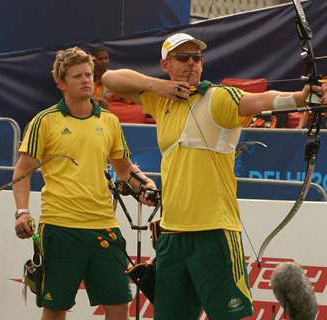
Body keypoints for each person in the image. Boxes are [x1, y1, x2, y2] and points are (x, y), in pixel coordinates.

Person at [102, 33, 327, 320]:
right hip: (171, 236)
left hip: (214, 233)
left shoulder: (218, 97)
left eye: (197, 58)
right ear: (166, 64)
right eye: (183, 58)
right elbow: (110, 79)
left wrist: (299, 97)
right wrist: (160, 86)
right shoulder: (161, 101)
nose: (192, 64)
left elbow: (259, 100)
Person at [13, 46, 156, 320]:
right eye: (77, 76)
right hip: (60, 227)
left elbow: (125, 171)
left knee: (118, 307)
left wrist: (145, 187)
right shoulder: (44, 121)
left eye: (89, 74)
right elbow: (22, 171)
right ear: (61, 83)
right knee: (56, 308)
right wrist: (22, 211)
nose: (86, 80)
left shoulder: (110, 121)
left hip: (104, 226)